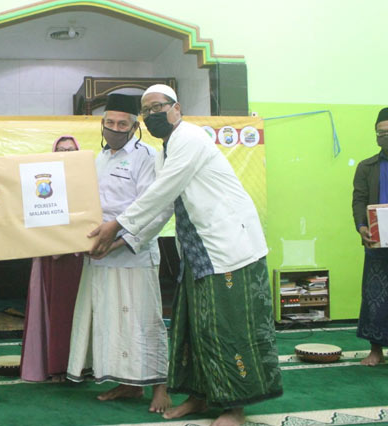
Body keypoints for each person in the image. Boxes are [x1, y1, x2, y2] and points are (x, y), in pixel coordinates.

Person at [89, 85, 282, 426]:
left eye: (158, 107)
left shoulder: (190, 139)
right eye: (146, 111)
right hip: (198, 253)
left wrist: (116, 224)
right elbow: (163, 208)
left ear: (176, 108)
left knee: (227, 328)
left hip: (229, 249)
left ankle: (234, 407)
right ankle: (199, 397)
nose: (152, 115)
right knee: (194, 327)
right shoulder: (166, 150)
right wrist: (126, 239)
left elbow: (162, 191)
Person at [66, 94, 171, 413]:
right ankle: (129, 385)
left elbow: (158, 210)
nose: (114, 128)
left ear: (134, 126)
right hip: (100, 255)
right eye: (109, 123)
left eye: (122, 124)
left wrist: (119, 242)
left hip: (134, 255)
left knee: (145, 320)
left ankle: (159, 388)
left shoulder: (147, 156)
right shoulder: (97, 159)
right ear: (102, 124)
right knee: (113, 321)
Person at [20, 135, 84, 383]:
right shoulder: (42, 183)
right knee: (51, 311)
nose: (66, 153)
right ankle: (53, 366)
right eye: (61, 149)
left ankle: (79, 367)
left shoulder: (87, 180)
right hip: (49, 257)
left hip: (79, 257)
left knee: (77, 312)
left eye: (70, 149)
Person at [352, 107, 388, 366]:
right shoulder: (367, 167)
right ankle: (376, 351)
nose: (386, 136)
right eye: (381, 133)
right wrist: (361, 226)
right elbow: (359, 200)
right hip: (378, 242)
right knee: (376, 296)